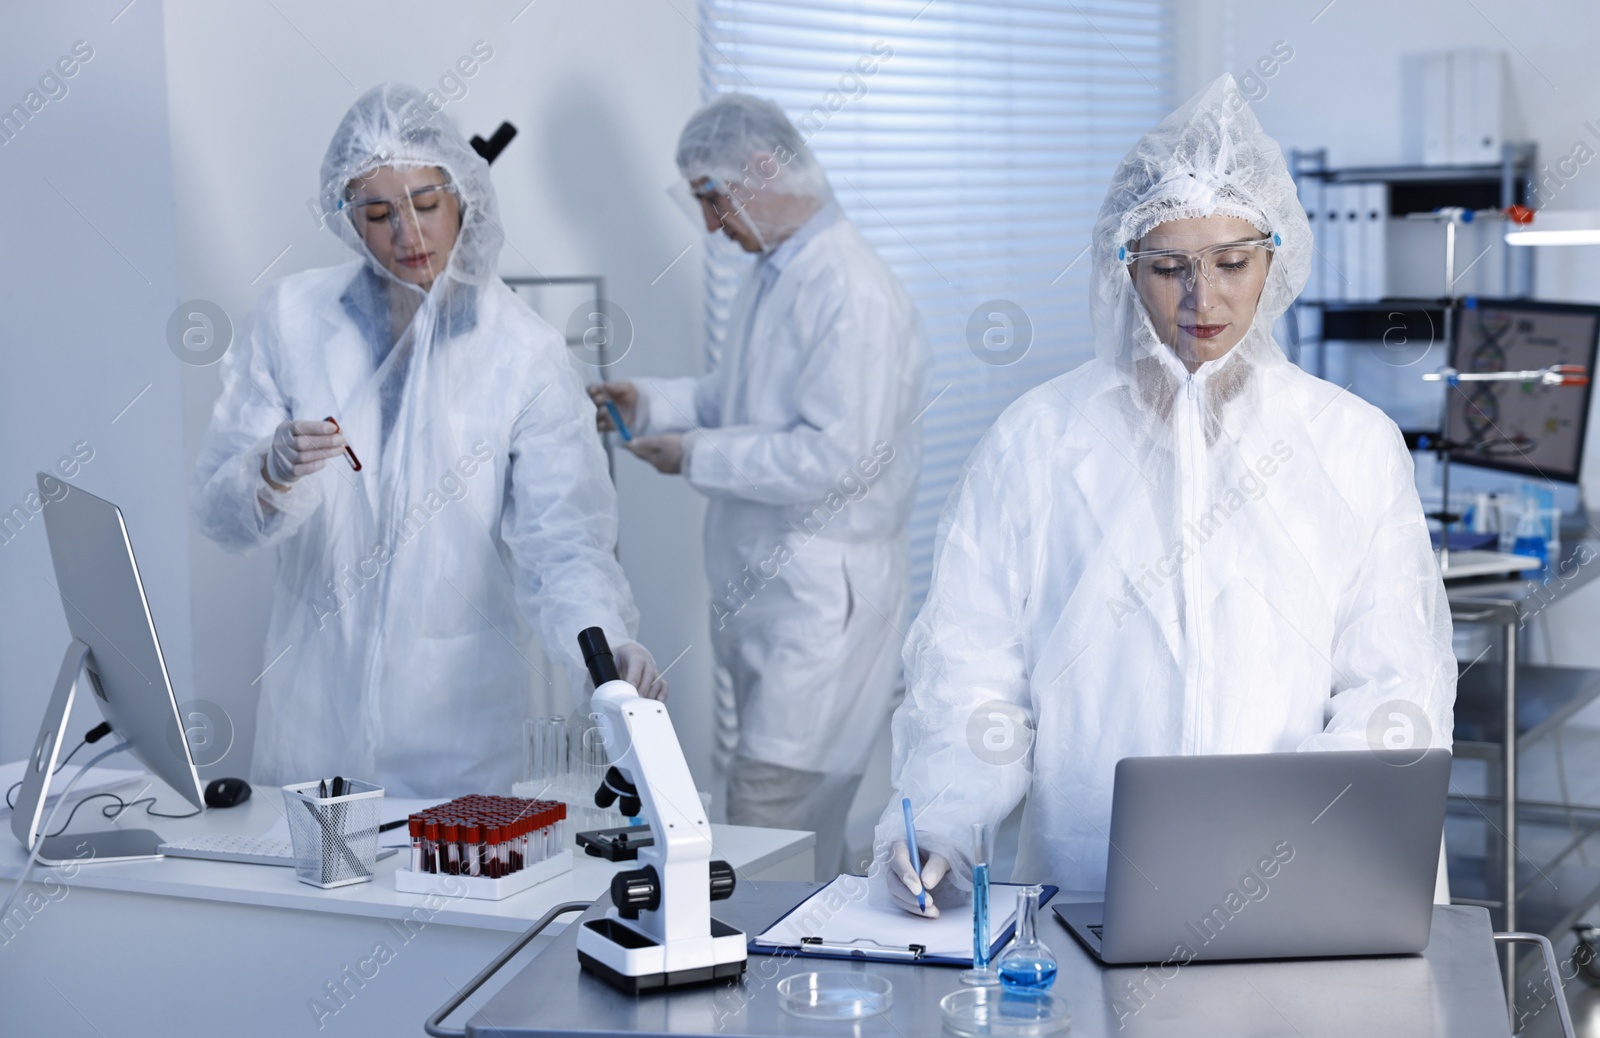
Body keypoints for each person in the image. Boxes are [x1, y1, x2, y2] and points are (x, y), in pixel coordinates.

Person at [875, 74, 1456, 916]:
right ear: (1125, 266)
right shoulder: (1039, 441)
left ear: (1275, 259)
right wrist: (938, 821)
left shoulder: (1350, 443)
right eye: (1170, 267)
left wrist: (1300, 835)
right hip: (1094, 877)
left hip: (1301, 885)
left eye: (1232, 263)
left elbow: (1394, 681)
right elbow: (973, 674)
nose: (1204, 298)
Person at [194, 83, 664, 798]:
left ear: (465, 196)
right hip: (311, 726)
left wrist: (606, 654)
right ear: (347, 216)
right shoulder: (292, 318)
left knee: (444, 904)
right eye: (379, 213)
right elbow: (220, 515)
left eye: (426, 205)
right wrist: (269, 473)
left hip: (456, 740)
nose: (408, 236)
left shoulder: (523, 354)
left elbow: (563, 547)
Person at [591, 94, 930, 876]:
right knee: (798, 840)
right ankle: (823, 977)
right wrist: (656, 404)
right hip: (775, 603)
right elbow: (738, 397)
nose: (711, 223)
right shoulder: (778, 270)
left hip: (822, 614)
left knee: (760, 839)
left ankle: (772, 991)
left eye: (713, 195)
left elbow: (837, 458)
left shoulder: (852, 291)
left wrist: (696, 455)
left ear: (767, 169)